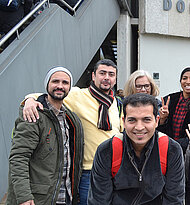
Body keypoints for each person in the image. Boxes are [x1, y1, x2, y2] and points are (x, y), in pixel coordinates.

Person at [21, 59, 122, 205]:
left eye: (111, 74)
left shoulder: (116, 103)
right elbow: (44, 95)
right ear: (93, 76)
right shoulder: (77, 95)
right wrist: (29, 100)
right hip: (89, 171)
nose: (107, 77)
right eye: (102, 73)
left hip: (114, 170)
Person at [88, 93, 184, 204]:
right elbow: (99, 200)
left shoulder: (170, 150)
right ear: (123, 121)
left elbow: (174, 200)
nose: (139, 127)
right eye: (132, 120)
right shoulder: (107, 150)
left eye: (146, 120)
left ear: (157, 121)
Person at [7, 67, 84, 205]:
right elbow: (19, 158)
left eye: (65, 83)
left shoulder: (71, 119)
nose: (60, 86)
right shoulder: (33, 114)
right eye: (55, 81)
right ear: (47, 84)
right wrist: (24, 196)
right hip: (38, 199)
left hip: (66, 197)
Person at [157, 67, 190, 153]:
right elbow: (160, 130)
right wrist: (163, 119)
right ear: (180, 81)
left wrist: (173, 145)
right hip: (166, 148)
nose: (188, 81)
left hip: (188, 150)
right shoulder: (170, 100)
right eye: (184, 78)